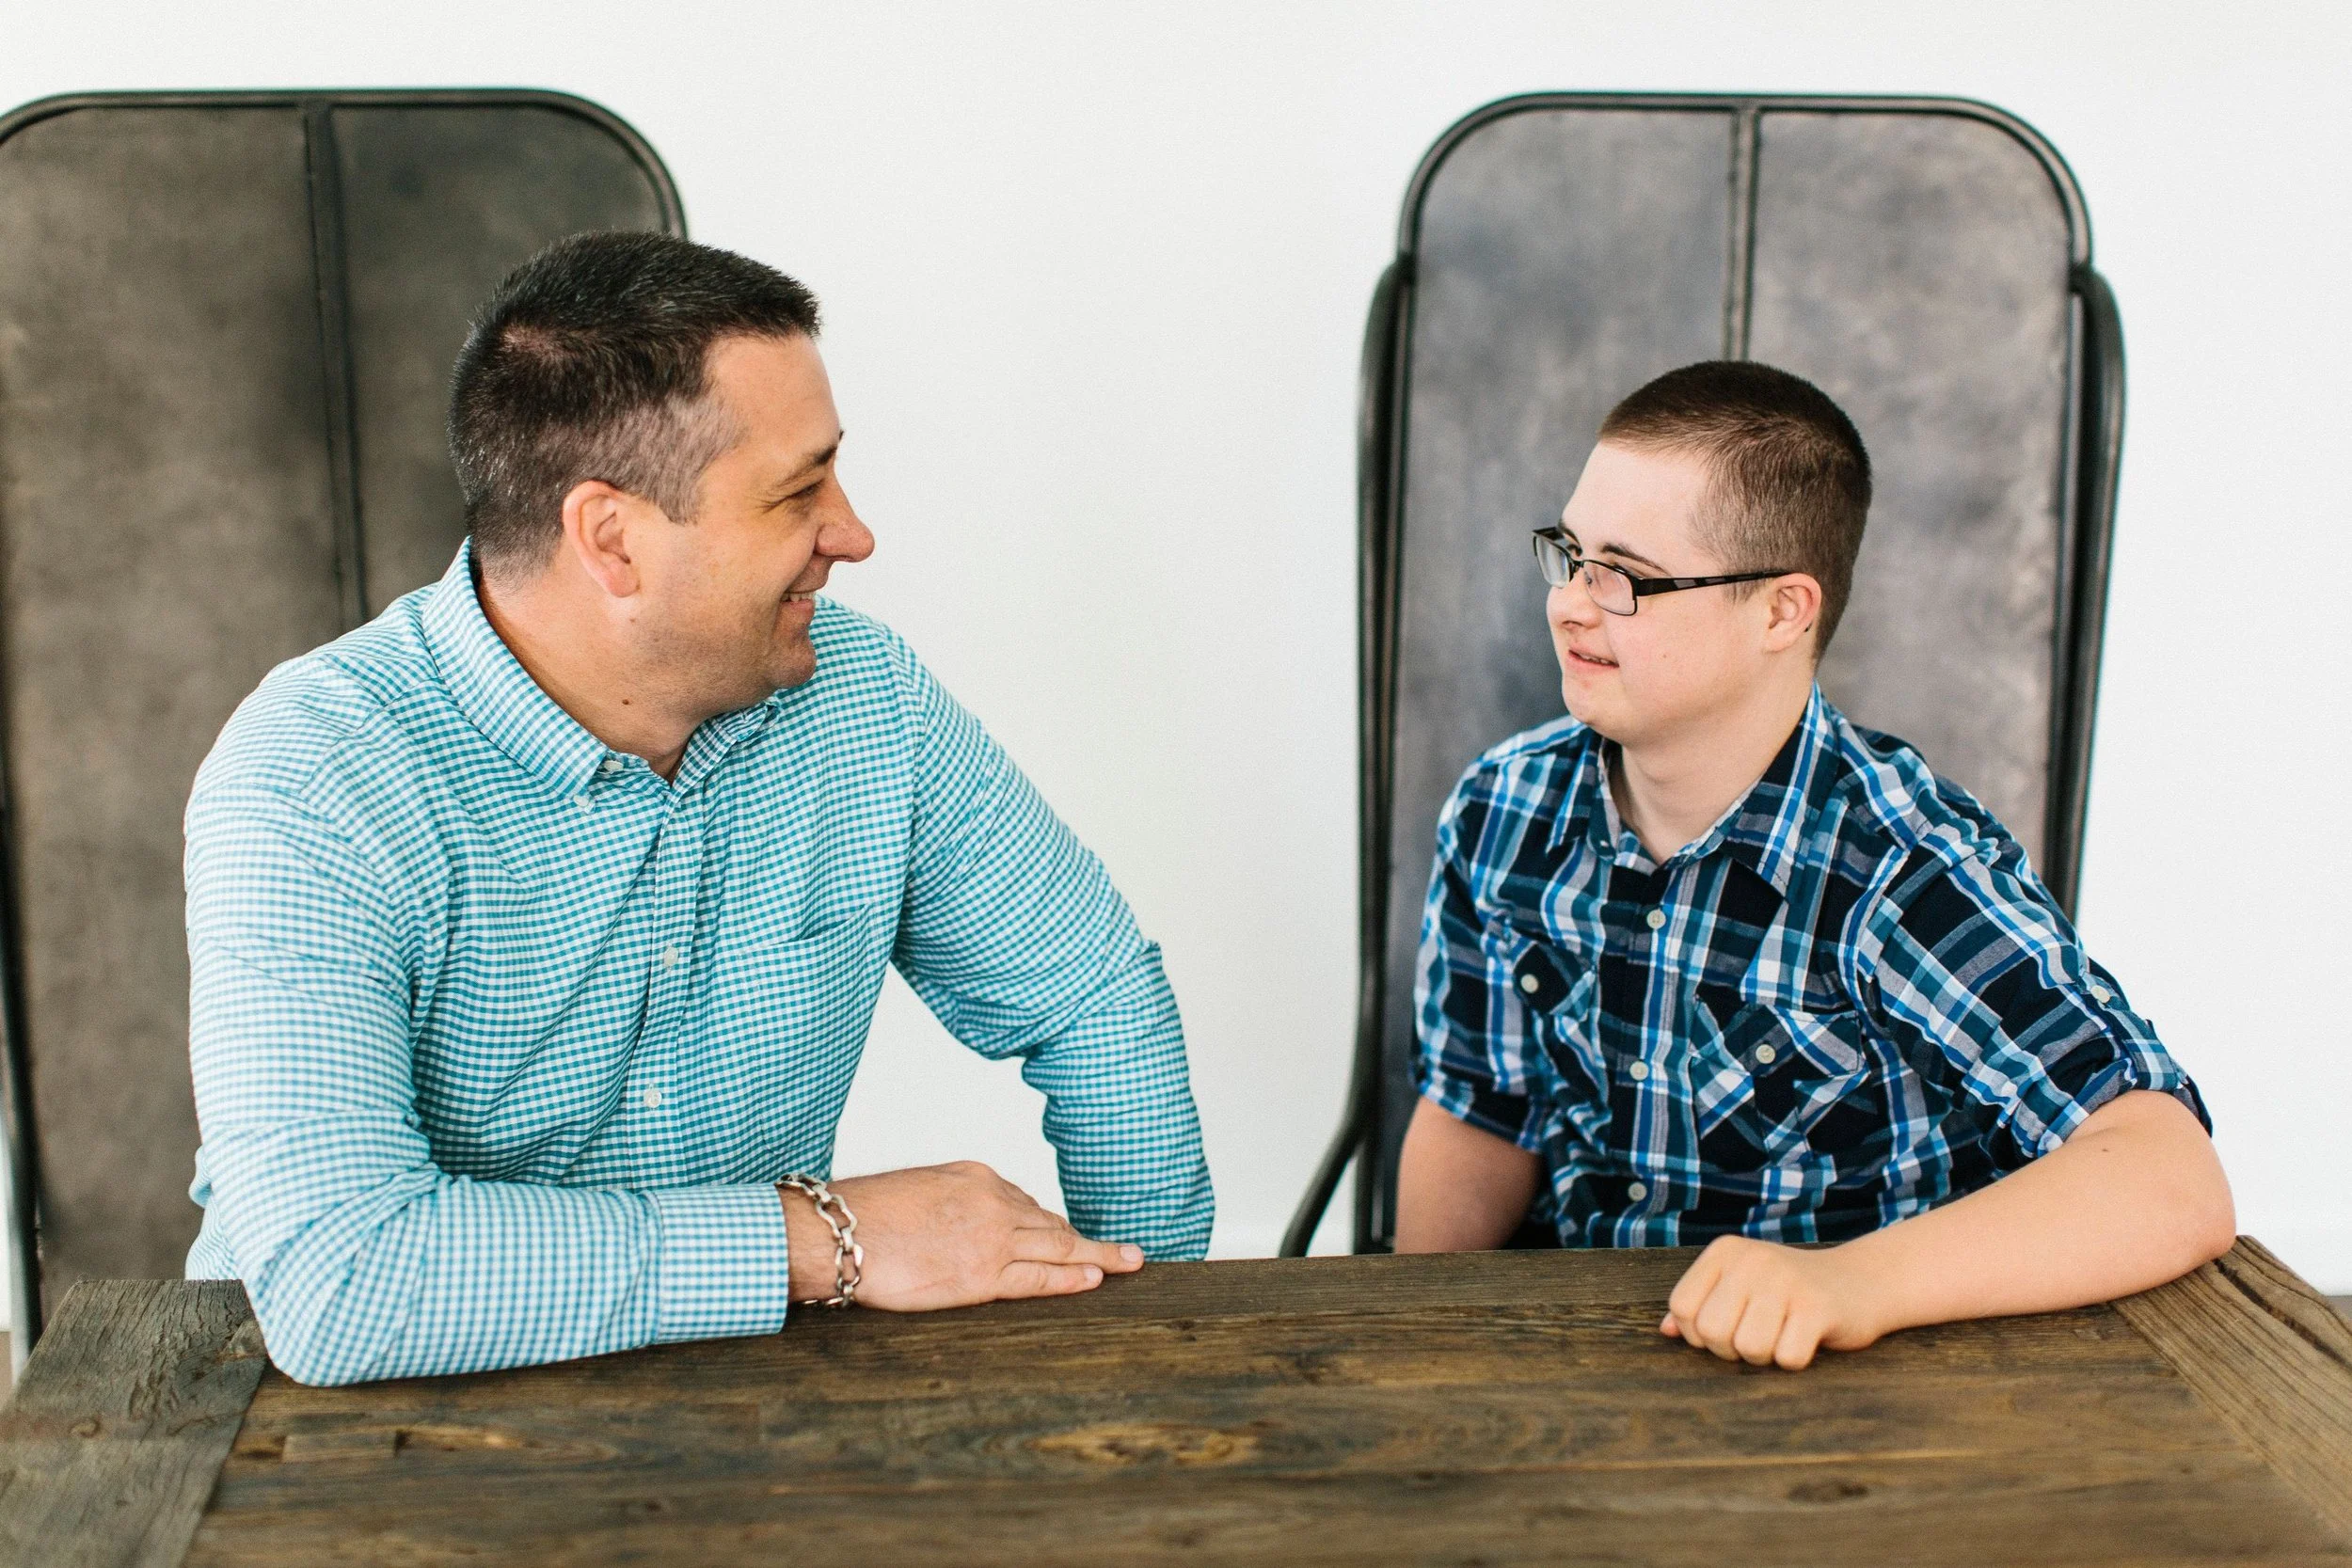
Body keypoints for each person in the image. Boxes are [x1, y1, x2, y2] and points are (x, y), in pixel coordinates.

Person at [183, 232, 1213, 1386]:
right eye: (796, 491)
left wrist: (1142, 1327)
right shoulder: (316, 776)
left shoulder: (868, 701)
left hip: (744, 1405)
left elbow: (1095, 997)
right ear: (611, 539)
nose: (853, 532)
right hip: (347, 1419)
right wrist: (827, 1239)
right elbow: (343, 1282)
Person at [1392, 360, 2232, 1370]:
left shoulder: (1898, 863)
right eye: (1570, 554)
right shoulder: (1503, 807)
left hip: (1836, 1385)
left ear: (1783, 612)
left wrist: (1852, 1280)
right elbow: (1478, 1110)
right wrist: (1412, 1343)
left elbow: (2171, 1176)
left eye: (1623, 575)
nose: (1571, 604)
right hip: (1570, 1353)